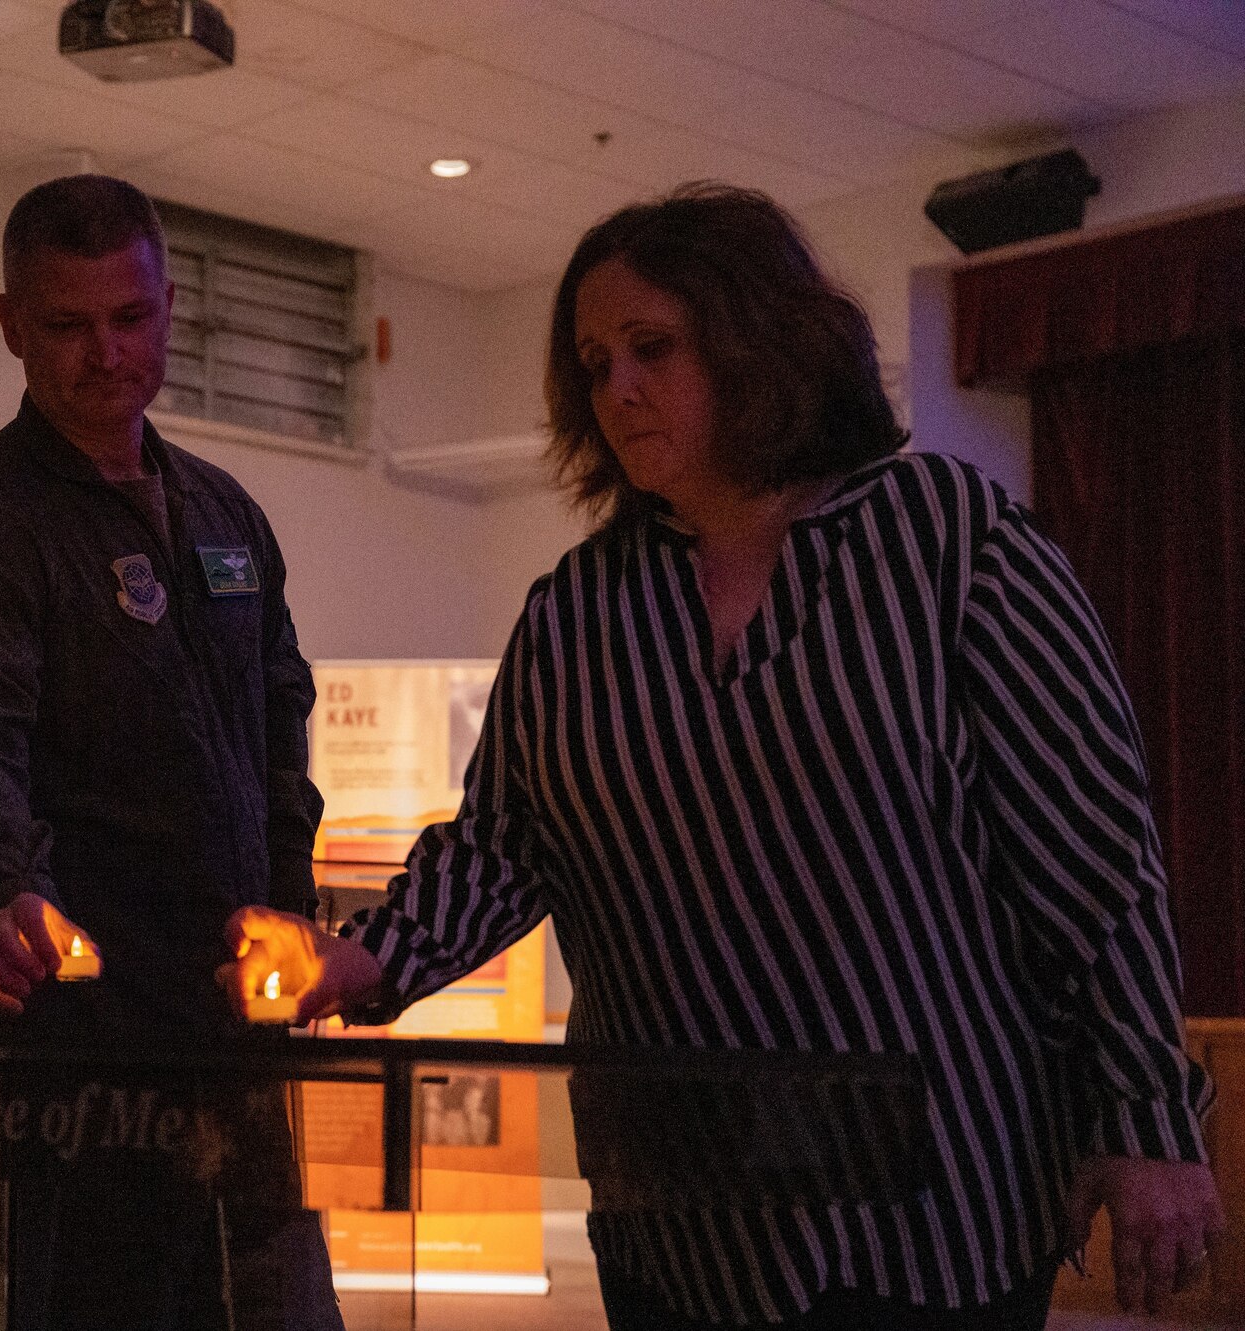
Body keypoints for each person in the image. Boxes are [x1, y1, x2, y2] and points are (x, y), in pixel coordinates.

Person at [223, 183, 1223, 1330]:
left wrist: (1145, 1119)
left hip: (935, 1193)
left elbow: (1095, 857)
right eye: (594, 364)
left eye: (651, 347)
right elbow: (505, 846)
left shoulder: (949, 539)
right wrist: (353, 962)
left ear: (760, 340)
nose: (618, 390)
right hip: (678, 1207)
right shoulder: (577, 608)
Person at [0, 174, 339, 1331]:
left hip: (232, 1032)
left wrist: (291, 905)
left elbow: (280, 720)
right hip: (72, 1051)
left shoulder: (227, 515)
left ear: (169, 307)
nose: (105, 352)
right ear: (11, 325)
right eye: (68, 325)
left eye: (129, 319)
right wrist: (3, 894)